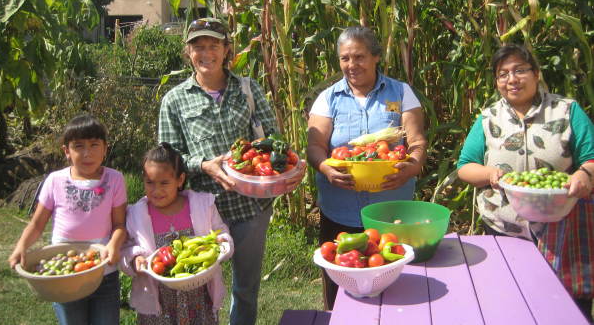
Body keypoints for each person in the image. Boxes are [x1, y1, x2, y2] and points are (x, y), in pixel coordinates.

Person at [158, 17, 304, 325]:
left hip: (249, 207)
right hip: (200, 211)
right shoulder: (174, 100)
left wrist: (287, 167)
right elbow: (166, 160)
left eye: (214, 45)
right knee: (196, 289)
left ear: (227, 50)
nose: (206, 53)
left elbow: (273, 142)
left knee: (246, 289)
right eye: (198, 46)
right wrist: (203, 165)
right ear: (188, 52)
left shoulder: (247, 90)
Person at [457, 43, 594, 322]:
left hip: (562, 230)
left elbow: (591, 159)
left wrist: (584, 175)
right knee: (510, 303)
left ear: (536, 73)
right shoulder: (488, 118)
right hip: (503, 227)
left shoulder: (567, 111)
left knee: (565, 306)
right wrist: (490, 174)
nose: (512, 79)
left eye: (520, 70)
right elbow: (465, 167)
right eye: (503, 74)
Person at [306, 26, 427, 310]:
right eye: (345, 58)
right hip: (339, 212)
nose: (352, 65)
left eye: (359, 57)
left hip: (390, 211)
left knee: (395, 286)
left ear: (376, 57)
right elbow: (314, 147)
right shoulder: (328, 98)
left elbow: (417, 142)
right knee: (340, 286)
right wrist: (325, 167)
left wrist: (412, 167)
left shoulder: (401, 93)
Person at [8, 114, 128, 325]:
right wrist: (21, 247)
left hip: (103, 271)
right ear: (67, 151)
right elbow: (37, 224)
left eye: (94, 145)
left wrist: (114, 245)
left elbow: (119, 225)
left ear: (105, 148)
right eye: (79, 146)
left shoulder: (114, 179)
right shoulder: (55, 181)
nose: (87, 153)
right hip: (64, 276)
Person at [120, 143, 233, 324]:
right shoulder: (136, 214)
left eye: (164, 183)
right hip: (158, 301)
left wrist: (222, 242)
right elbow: (126, 247)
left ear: (180, 180)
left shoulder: (202, 205)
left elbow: (221, 232)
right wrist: (135, 260)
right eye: (150, 182)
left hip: (199, 295)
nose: (156, 190)